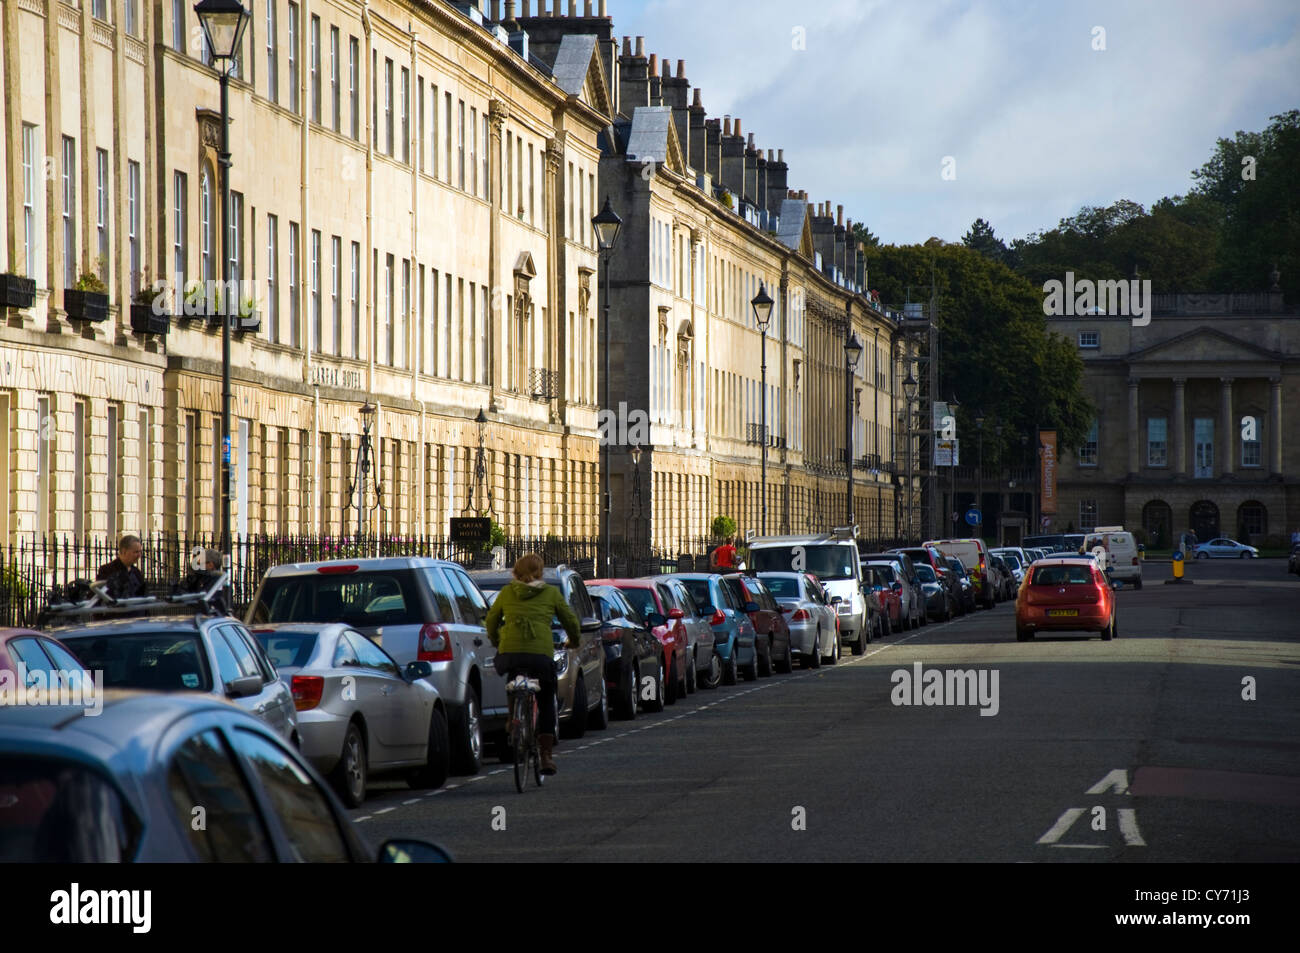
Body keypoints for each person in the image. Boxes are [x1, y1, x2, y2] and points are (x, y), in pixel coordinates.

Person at [485, 553, 578, 776]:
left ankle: (513, 720)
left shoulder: (507, 592)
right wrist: (573, 641)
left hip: (511, 653)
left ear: (515, 572)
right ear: (541, 572)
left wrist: (499, 641)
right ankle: (545, 755)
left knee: (513, 679)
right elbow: (570, 621)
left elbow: (491, 620)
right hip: (540, 655)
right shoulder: (550, 593)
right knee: (546, 699)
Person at [181, 548, 232, 616]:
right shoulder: (204, 580)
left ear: (210, 565)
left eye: (199, 564)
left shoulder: (215, 582)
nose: (197, 567)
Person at [95, 535, 146, 601]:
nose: (139, 555)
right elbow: (100, 596)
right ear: (124, 551)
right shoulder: (107, 570)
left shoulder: (137, 573)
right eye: (136, 552)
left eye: (140, 552)